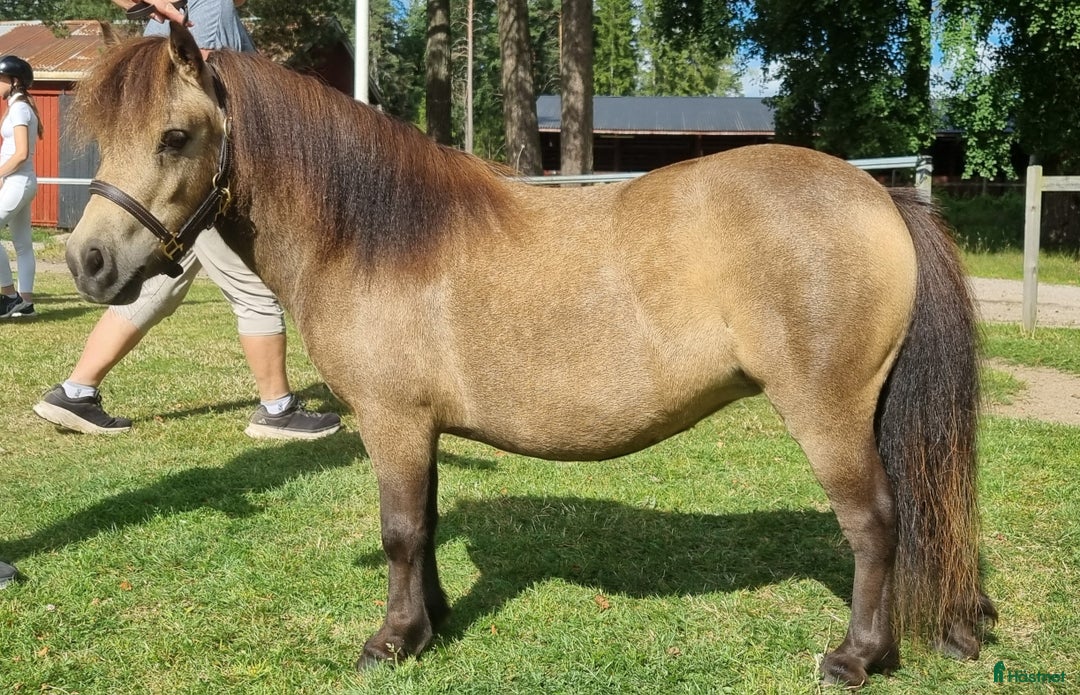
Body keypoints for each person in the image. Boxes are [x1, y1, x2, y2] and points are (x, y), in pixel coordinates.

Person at [33, 0, 341, 440]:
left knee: (157, 287)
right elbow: (208, 95)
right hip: (203, 176)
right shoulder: (204, 11)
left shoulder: (175, 16)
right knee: (253, 290)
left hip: (189, 177)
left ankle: (76, 391)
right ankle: (276, 409)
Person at [0, 55, 41, 320]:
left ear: (14, 81)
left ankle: (9, 297)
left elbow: (21, 153)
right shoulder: (20, 106)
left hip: (18, 182)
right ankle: (25, 303)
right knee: (24, 245)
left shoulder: (19, 109)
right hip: (20, 182)